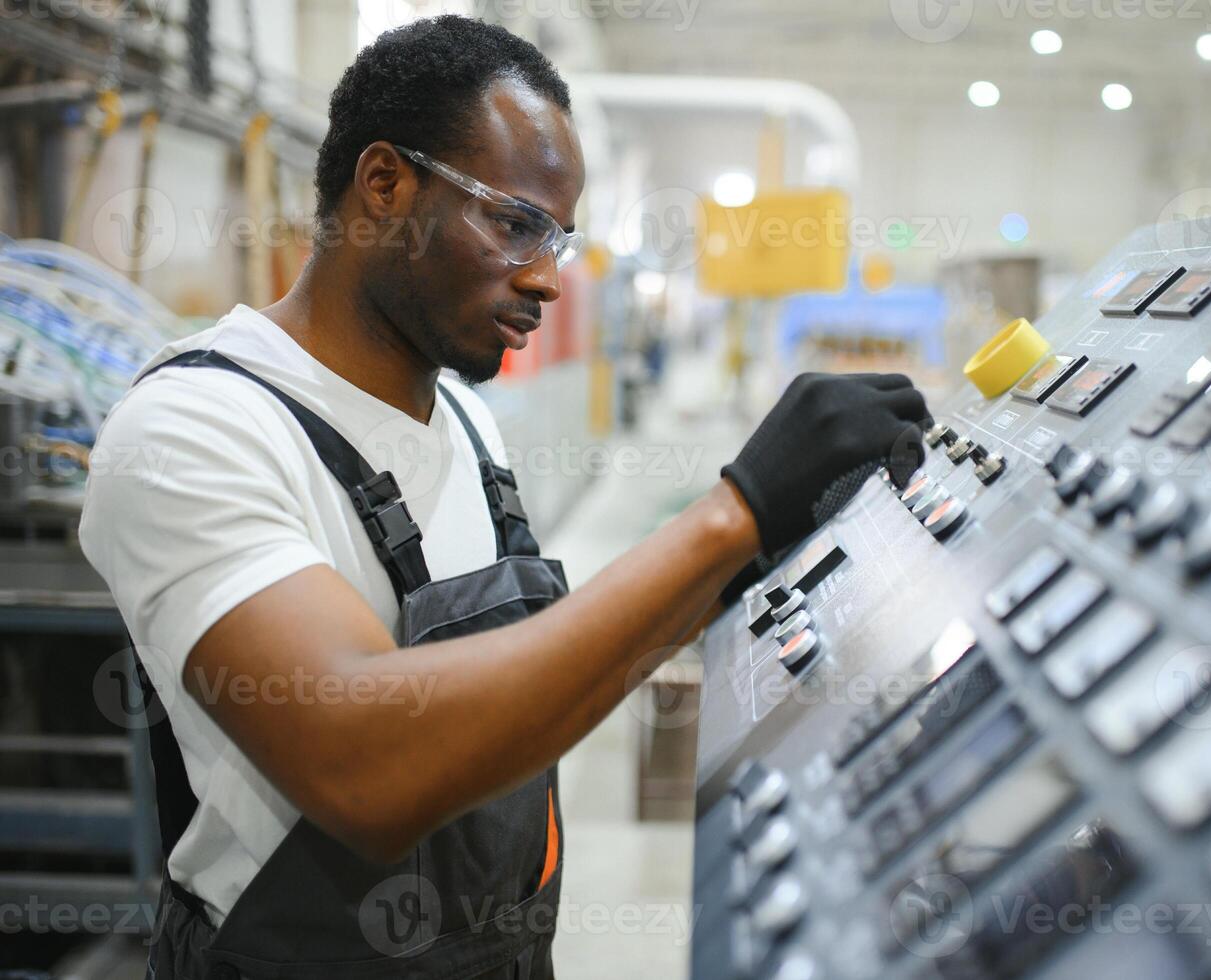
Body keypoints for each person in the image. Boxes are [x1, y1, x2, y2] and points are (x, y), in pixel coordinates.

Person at [80, 16, 927, 979]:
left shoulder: (467, 422)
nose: (547, 277)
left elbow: (521, 685)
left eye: (558, 238)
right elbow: (368, 763)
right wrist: (731, 512)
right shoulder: (195, 432)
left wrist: (754, 556)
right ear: (385, 184)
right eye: (515, 222)